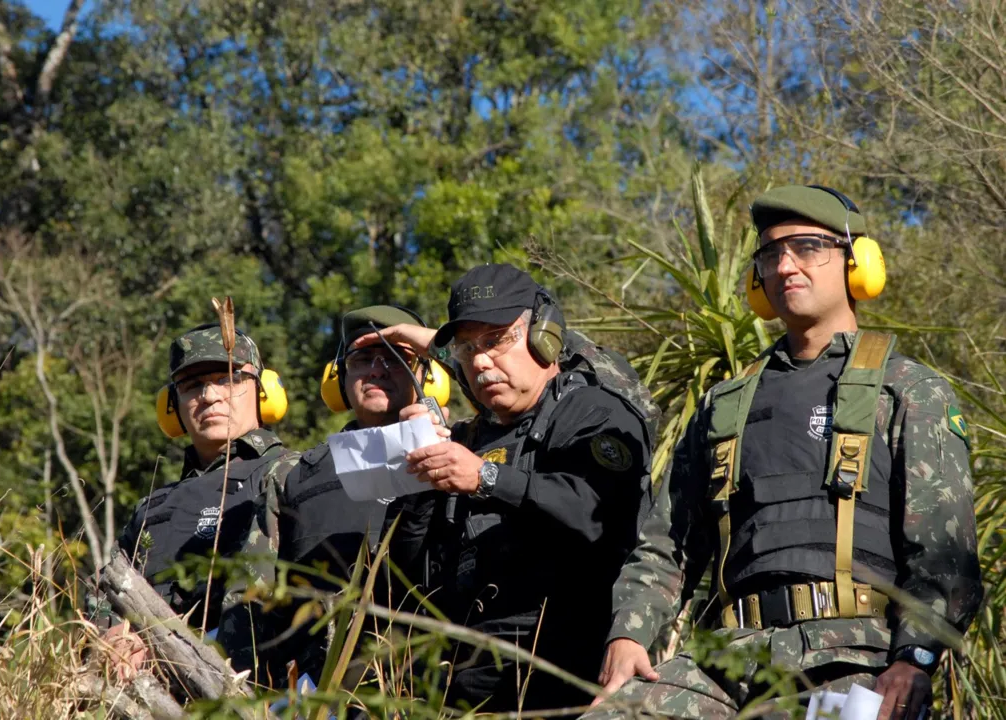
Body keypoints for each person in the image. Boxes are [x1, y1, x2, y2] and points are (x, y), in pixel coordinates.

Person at [585, 186, 983, 720]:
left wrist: (912, 659)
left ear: (856, 262)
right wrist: (629, 637)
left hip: (855, 660)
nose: (786, 265)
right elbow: (665, 548)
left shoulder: (908, 389)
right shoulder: (723, 405)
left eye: (807, 247)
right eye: (771, 253)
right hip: (723, 660)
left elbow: (942, 556)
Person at [360, 264, 659, 711]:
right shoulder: (465, 437)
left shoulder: (592, 412)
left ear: (544, 335)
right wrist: (419, 477)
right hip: (464, 677)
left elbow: (599, 515)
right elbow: (406, 580)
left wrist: (485, 478)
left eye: (496, 340)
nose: (480, 361)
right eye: (467, 348)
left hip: (565, 667)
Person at [218, 305, 451, 687]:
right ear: (339, 378)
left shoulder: (465, 449)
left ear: (427, 375)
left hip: (437, 687)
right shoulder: (293, 474)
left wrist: (440, 345)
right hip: (322, 692)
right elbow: (251, 599)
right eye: (361, 360)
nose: (376, 370)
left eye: (396, 358)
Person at [105, 323, 295, 680]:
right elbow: (106, 592)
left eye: (227, 379)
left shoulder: (295, 475)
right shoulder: (152, 508)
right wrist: (112, 635)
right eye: (192, 386)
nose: (209, 396)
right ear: (171, 407)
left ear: (264, 391)